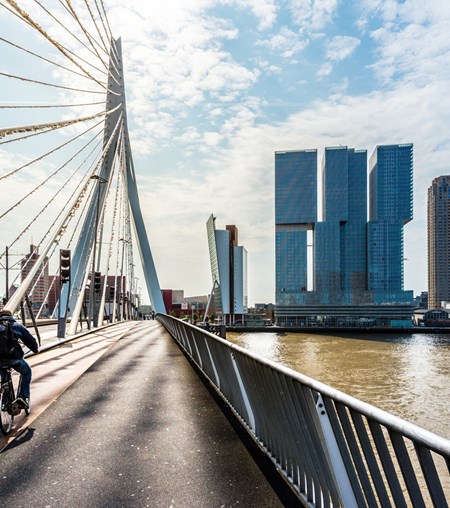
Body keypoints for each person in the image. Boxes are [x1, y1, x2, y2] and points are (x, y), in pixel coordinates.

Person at [0, 309, 39, 413]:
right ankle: (22, 397)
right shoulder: (16, 325)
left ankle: (4, 403)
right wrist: (35, 349)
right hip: (14, 359)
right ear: (10, 316)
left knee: (3, 377)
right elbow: (30, 340)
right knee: (26, 372)